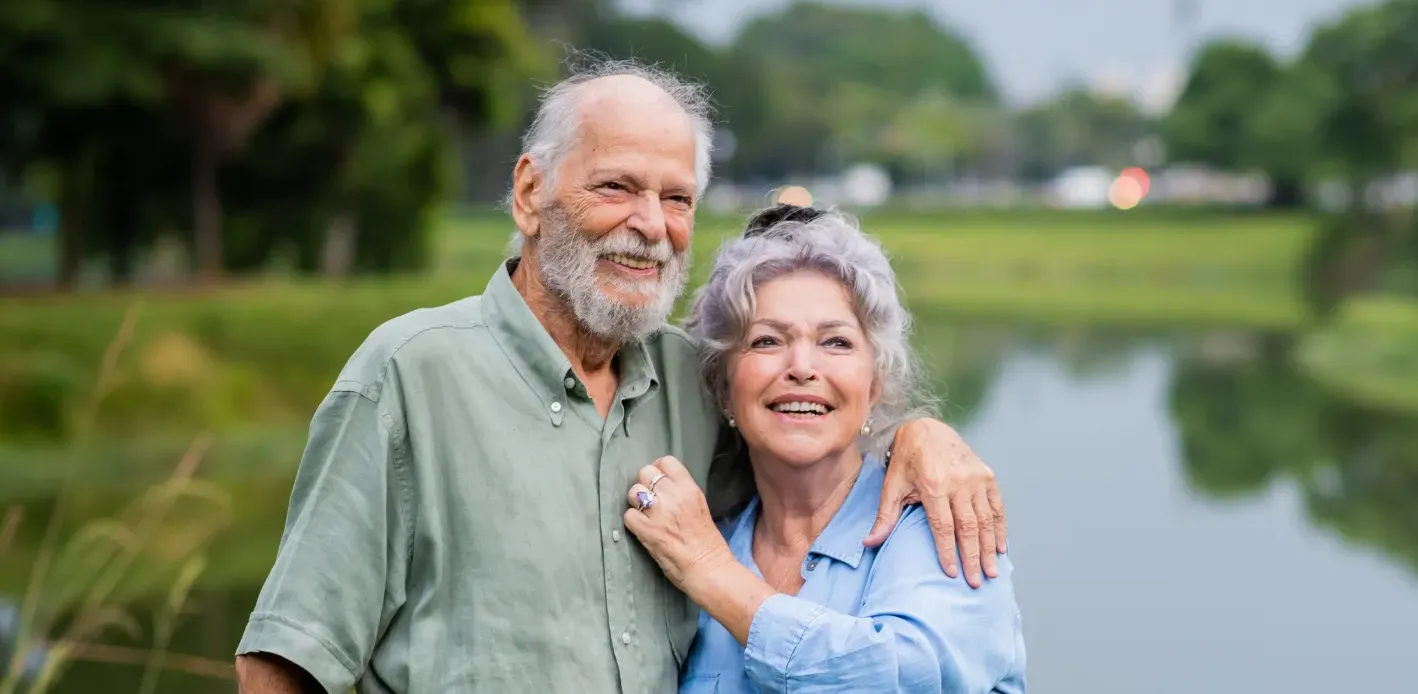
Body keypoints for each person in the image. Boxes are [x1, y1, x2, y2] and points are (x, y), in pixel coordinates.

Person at [232, 60, 1008, 694]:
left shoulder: (692, 380)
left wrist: (915, 433)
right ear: (531, 193)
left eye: (677, 199)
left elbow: (805, 434)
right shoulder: (409, 373)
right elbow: (283, 663)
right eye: (616, 187)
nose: (650, 224)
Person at [622, 204, 1025, 693]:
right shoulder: (709, 535)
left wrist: (713, 575)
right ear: (724, 387)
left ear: (874, 384)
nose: (802, 367)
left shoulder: (942, 517)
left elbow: (903, 678)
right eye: (767, 341)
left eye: (835, 343)